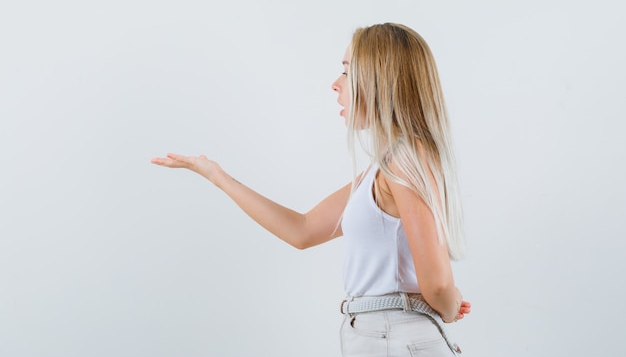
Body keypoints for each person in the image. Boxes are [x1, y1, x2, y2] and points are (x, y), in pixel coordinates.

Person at [151, 22, 471, 356]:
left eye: (347, 72)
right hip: (377, 335)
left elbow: (436, 284)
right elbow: (301, 230)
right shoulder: (383, 167)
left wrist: (449, 304)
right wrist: (218, 176)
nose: (336, 85)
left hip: (394, 336)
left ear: (380, 79)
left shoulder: (404, 159)